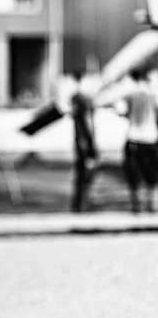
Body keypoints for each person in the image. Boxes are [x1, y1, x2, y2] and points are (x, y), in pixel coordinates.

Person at [117, 70, 158, 212]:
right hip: (151, 136)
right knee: (151, 172)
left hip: (134, 136)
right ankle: (151, 203)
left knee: (133, 172)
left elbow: (121, 111)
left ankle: (136, 204)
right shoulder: (153, 94)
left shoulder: (130, 93)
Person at [70, 70, 99, 212]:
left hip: (79, 140)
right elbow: (88, 122)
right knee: (87, 172)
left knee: (81, 172)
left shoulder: (75, 98)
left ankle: (78, 203)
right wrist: (92, 143)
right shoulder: (84, 98)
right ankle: (83, 203)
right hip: (85, 141)